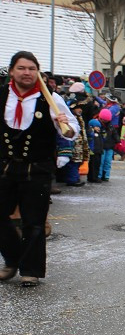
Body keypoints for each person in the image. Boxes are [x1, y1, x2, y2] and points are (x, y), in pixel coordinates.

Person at [0, 51, 79, 287]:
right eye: (22, 68)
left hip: (38, 168)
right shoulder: (2, 95)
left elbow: (72, 130)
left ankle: (30, 270)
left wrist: (63, 125)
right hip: (4, 167)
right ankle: (13, 259)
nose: (27, 73)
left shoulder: (51, 99)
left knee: (34, 221)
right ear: (12, 71)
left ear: (38, 72)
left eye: (32, 69)